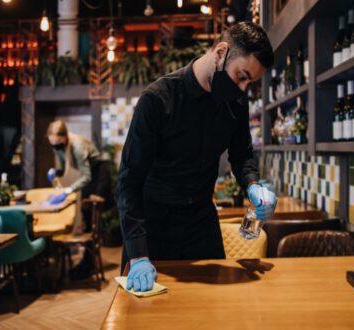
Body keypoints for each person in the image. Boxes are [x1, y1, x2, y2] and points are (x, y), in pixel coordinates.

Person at [116, 22, 278, 292]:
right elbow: (129, 182)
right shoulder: (157, 100)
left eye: (249, 82)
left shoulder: (235, 103)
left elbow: (242, 155)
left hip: (201, 224)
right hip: (153, 229)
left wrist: (253, 185)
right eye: (241, 76)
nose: (242, 88)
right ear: (220, 52)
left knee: (214, 313)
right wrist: (139, 255)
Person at [46, 120, 111, 278]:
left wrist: (67, 191)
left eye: (58, 144)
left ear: (65, 137)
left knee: (91, 220)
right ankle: (87, 264)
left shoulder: (77, 146)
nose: (56, 148)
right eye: (53, 145)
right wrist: (56, 172)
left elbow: (87, 176)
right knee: (85, 215)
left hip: (99, 175)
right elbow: (63, 167)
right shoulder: (59, 146)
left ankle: (88, 264)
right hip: (91, 177)